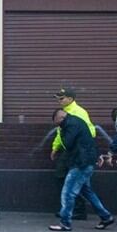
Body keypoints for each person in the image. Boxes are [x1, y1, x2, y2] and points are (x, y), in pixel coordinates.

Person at [48, 109, 114, 231]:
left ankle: (65, 223)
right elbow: (88, 139)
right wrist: (97, 154)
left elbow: (67, 144)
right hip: (86, 162)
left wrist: (61, 132)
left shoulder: (69, 125)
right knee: (87, 191)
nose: (56, 125)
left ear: (60, 118)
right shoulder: (78, 122)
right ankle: (106, 217)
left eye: (56, 122)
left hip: (80, 163)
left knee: (68, 192)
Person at [50, 87, 96, 220]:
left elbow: (90, 131)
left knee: (71, 179)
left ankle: (77, 210)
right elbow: (61, 133)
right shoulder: (64, 112)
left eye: (61, 98)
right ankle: (71, 209)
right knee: (65, 178)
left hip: (76, 150)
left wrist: (80, 146)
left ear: (70, 99)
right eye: (58, 98)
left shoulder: (78, 112)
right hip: (68, 149)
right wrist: (55, 147)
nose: (59, 101)